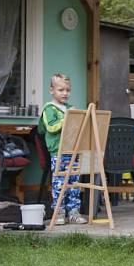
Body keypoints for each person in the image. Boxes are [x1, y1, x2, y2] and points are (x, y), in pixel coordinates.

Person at [38, 73, 86, 225]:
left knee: (74, 183)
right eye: (61, 90)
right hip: (58, 152)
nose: (65, 93)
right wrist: (68, 117)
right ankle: (59, 212)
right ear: (51, 90)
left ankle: (73, 212)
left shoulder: (70, 108)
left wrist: (78, 117)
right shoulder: (49, 109)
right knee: (59, 182)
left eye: (68, 90)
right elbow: (51, 127)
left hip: (73, 150)